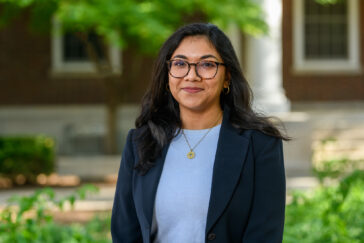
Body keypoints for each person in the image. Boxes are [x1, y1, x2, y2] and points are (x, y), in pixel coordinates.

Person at [111, 23, 289, 243]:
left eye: (206, 64)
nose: (191, 75)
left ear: (227, 78)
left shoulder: (260, 145)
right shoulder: (141, 142)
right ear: (167, 76)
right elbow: (125, 232)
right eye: (180, 64)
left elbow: (264, 236)